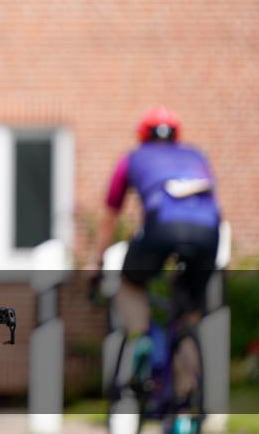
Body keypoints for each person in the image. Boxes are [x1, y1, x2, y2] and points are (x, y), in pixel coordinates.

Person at [89, 107, 220, 394]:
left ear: (142, 136)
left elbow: (110, 215)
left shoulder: (133, 158)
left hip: (161, 229)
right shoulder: (197, 157)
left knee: (129, 281)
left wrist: (98, 261)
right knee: (187, 315)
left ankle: (143, 338)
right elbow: (215, 206)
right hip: (209, 235)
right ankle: (184, 410)